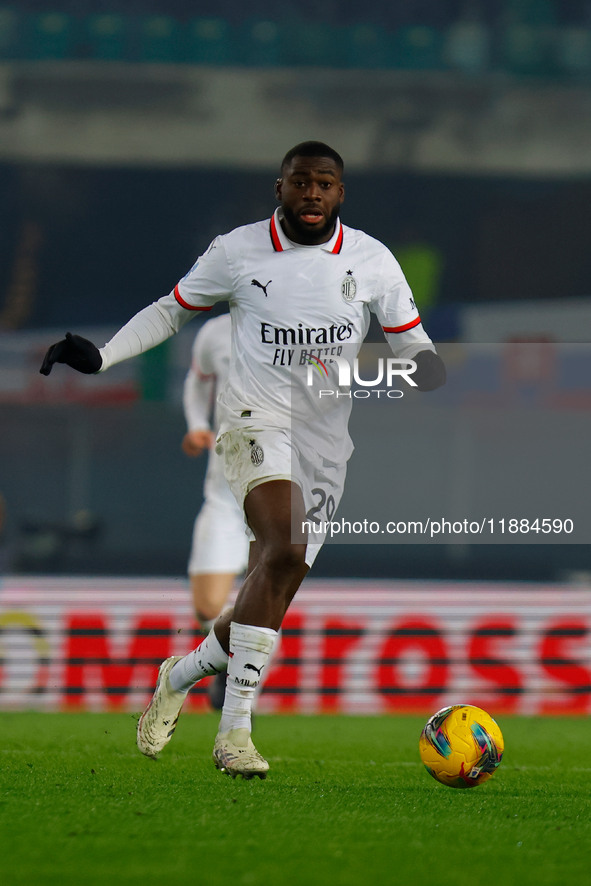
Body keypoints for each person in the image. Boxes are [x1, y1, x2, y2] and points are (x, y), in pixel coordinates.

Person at [40, 141, 446, 780]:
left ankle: (183, 670)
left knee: (276, 584)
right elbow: (173, 308)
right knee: (280, 550)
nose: (312, 193)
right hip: (252, 420)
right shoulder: (237, 251)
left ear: (340, 194)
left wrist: (422, 369)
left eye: (326, 184)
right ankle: (235, 733)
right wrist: (104, 356)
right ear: (279, 188)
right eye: (301, 182)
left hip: (325, 441)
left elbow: (414, 347)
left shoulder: (372, 261)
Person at [181, 312, 249, 709]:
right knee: (208, 606)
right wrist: (195, 423)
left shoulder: (300, 326)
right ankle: (231, 658)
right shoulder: (215, 332)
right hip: (223, 496)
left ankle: (240, 700)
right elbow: (197, 380)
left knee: (266, 592)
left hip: (277, 494)